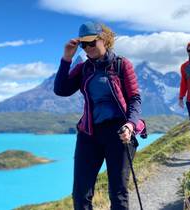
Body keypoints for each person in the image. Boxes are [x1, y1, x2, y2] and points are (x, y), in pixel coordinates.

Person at [54, 21, 146, 210]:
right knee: (80, 194)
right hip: (89, 134)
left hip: (119, 134)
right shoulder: (84, 68)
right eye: (83, 45)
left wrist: (130, 125)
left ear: (104, 39)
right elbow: (61, 89)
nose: (88, 48)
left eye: (91, 42)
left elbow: (135, 99)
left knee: (118, 192)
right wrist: (66, 59)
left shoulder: (121, 65)